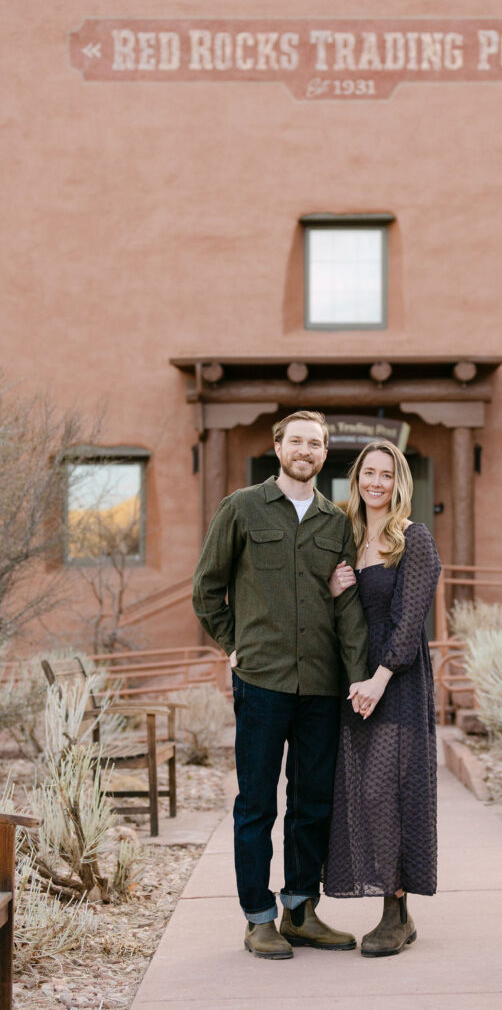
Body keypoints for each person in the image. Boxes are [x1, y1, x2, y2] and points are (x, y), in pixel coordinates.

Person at [192, 411, 369, 960]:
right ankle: (258, 917)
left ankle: (300, 909)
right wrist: (233, 645)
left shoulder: (336, 522)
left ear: (323, 453)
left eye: (315, 443)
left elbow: (347, 609)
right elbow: (206, 589)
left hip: (320, 684)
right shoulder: (241, 508)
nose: (306, 450)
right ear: (278, 446)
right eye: (297, 441)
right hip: (262, 682)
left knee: (313, 802)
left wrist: (358, 674)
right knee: (256, 805)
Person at [324, 440, 441, 957]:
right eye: (369, 473)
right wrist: (332, 589)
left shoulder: (414, 540)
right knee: (359, 797)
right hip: (354, 683)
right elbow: (340, 618)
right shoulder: (346, 538)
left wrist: (380, 678)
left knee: (385, 793)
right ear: (356, 479)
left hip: (397, 683)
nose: (376, 482)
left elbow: (411, 621)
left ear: (399, 483)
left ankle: (395, 910)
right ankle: (399, 910)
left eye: (386, 475)